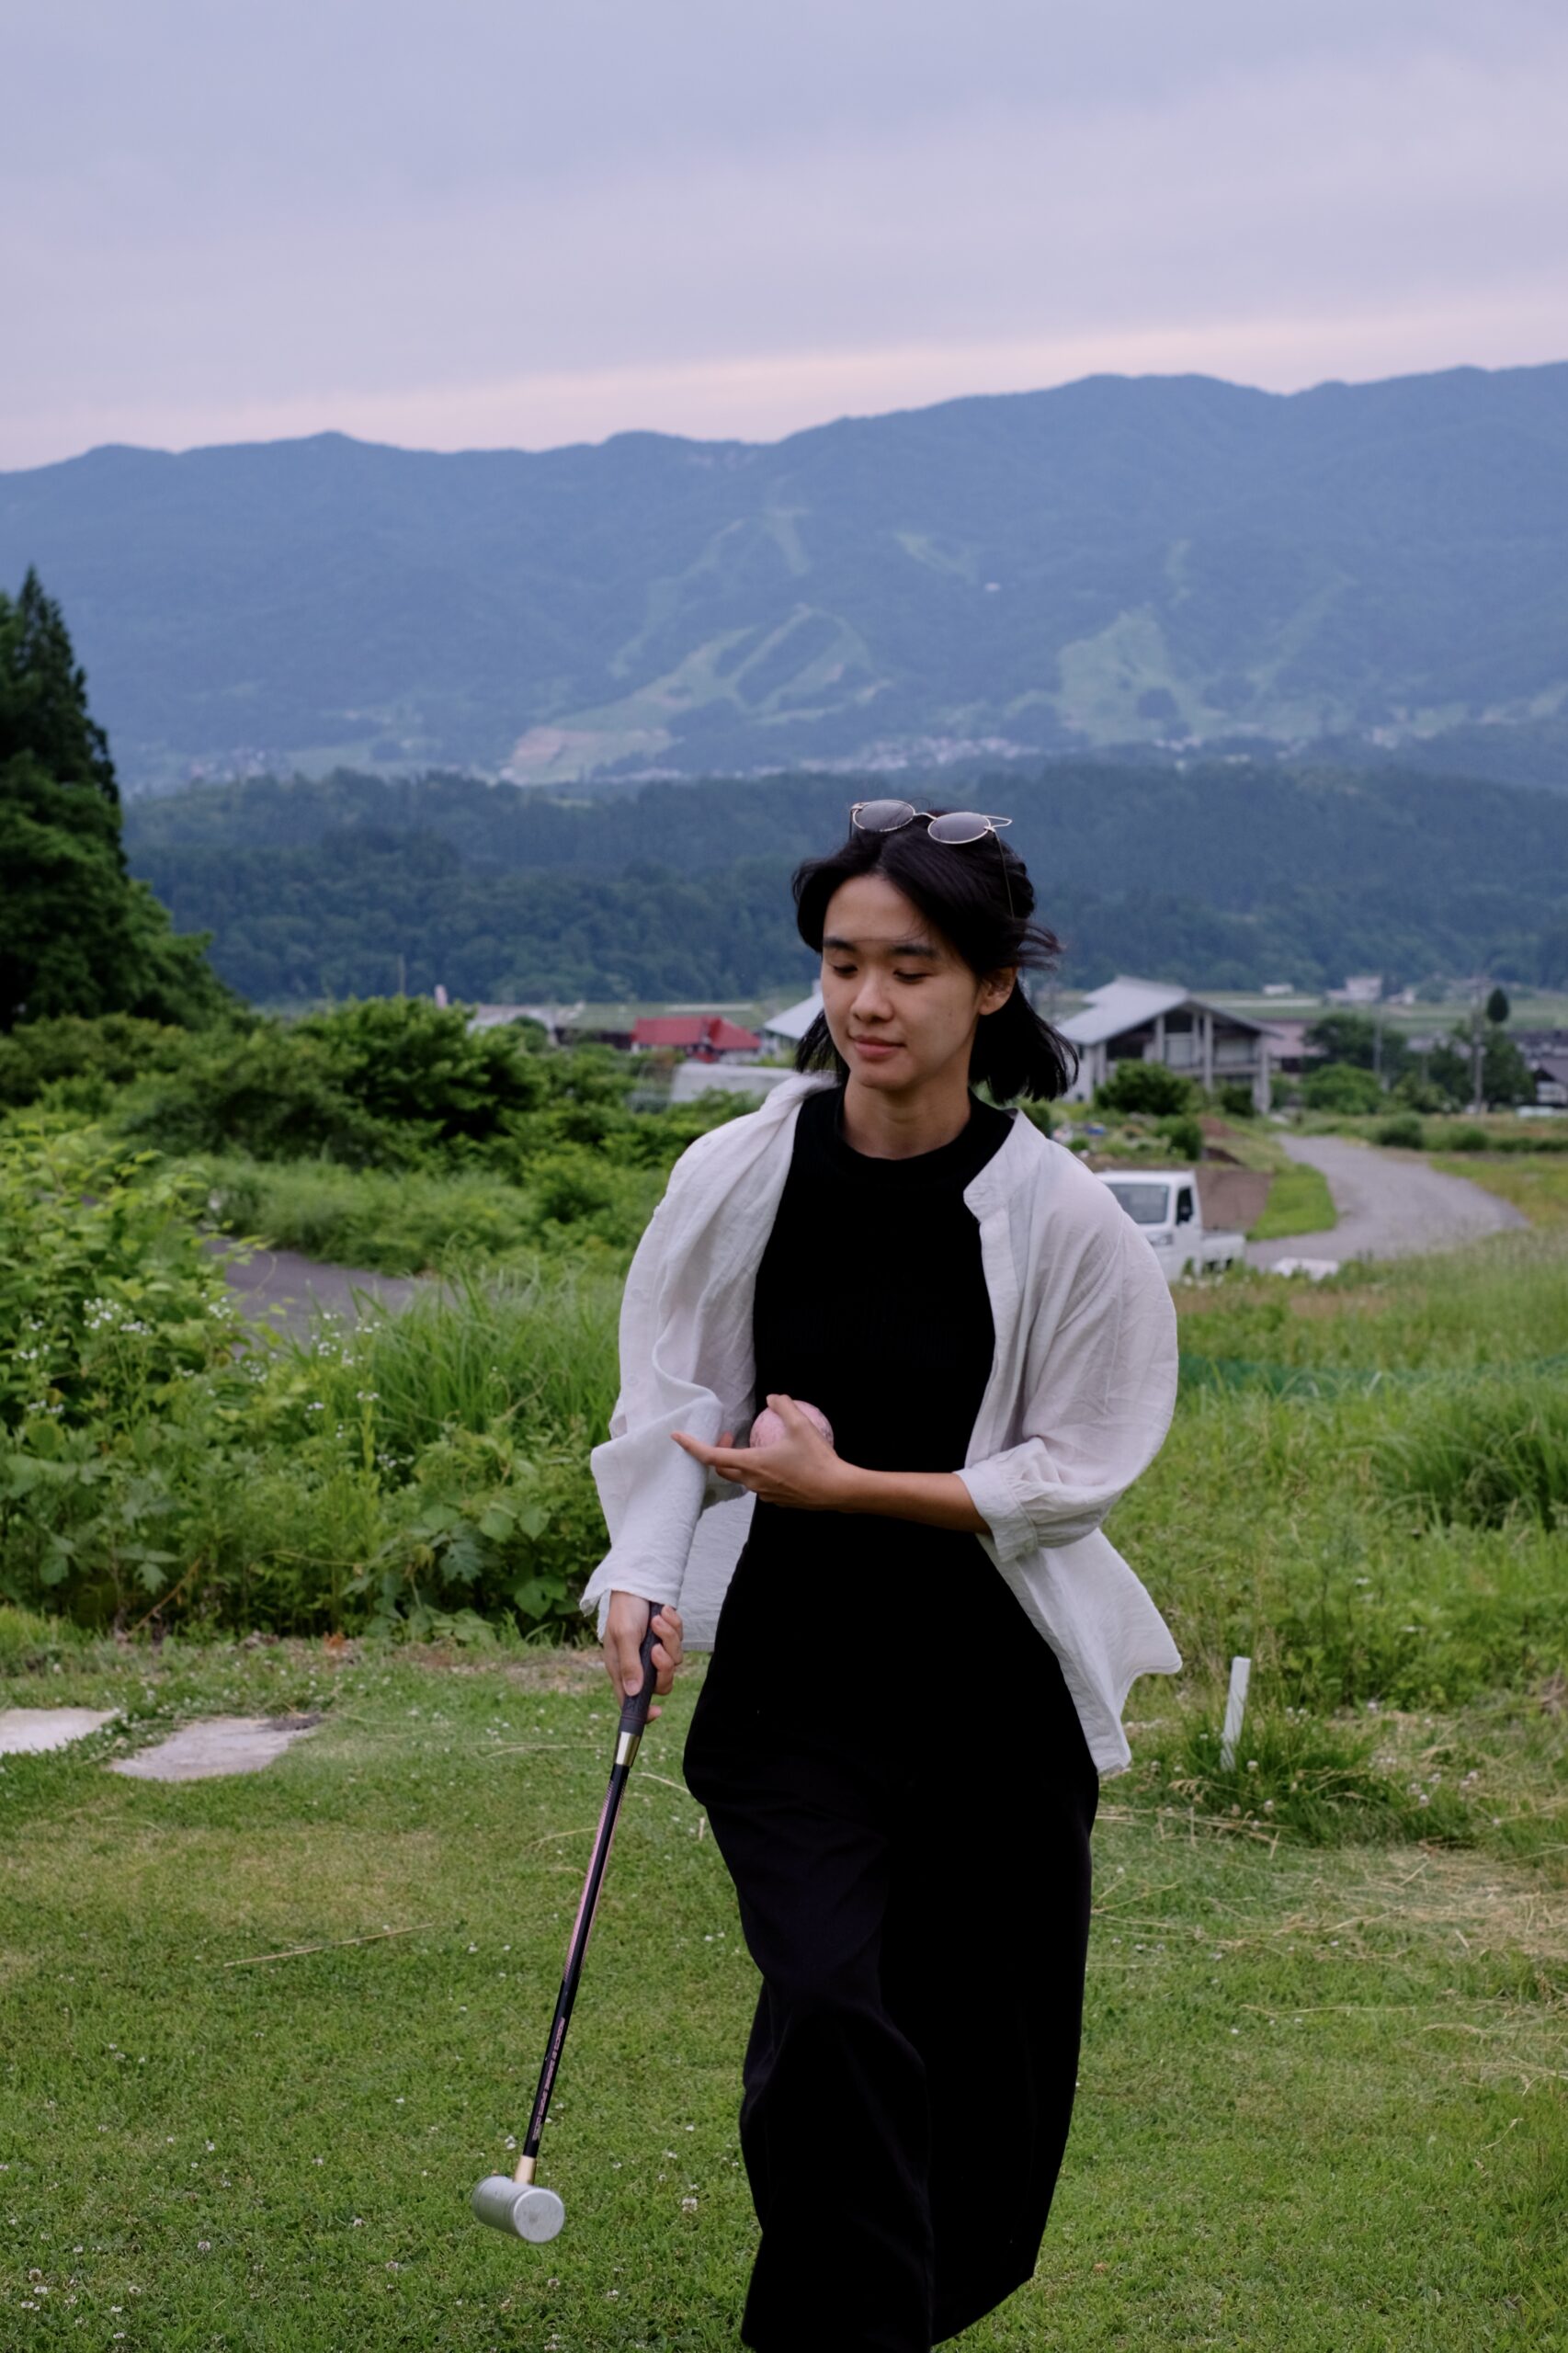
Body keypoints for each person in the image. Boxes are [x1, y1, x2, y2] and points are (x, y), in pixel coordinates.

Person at [582, 800, 1180, 2352]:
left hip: (997, 1697)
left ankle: (869, 2309)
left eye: (909, 966)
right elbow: (675, 1399)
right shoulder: (740, 1168)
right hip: (796, 1682)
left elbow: (1080, 1469)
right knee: (835, 2002)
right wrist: (638, 1578)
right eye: (841, 963)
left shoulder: (1062, 1217)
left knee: (977, 2064)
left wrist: (852, 1487)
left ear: (989, 986)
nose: (866, 1001)